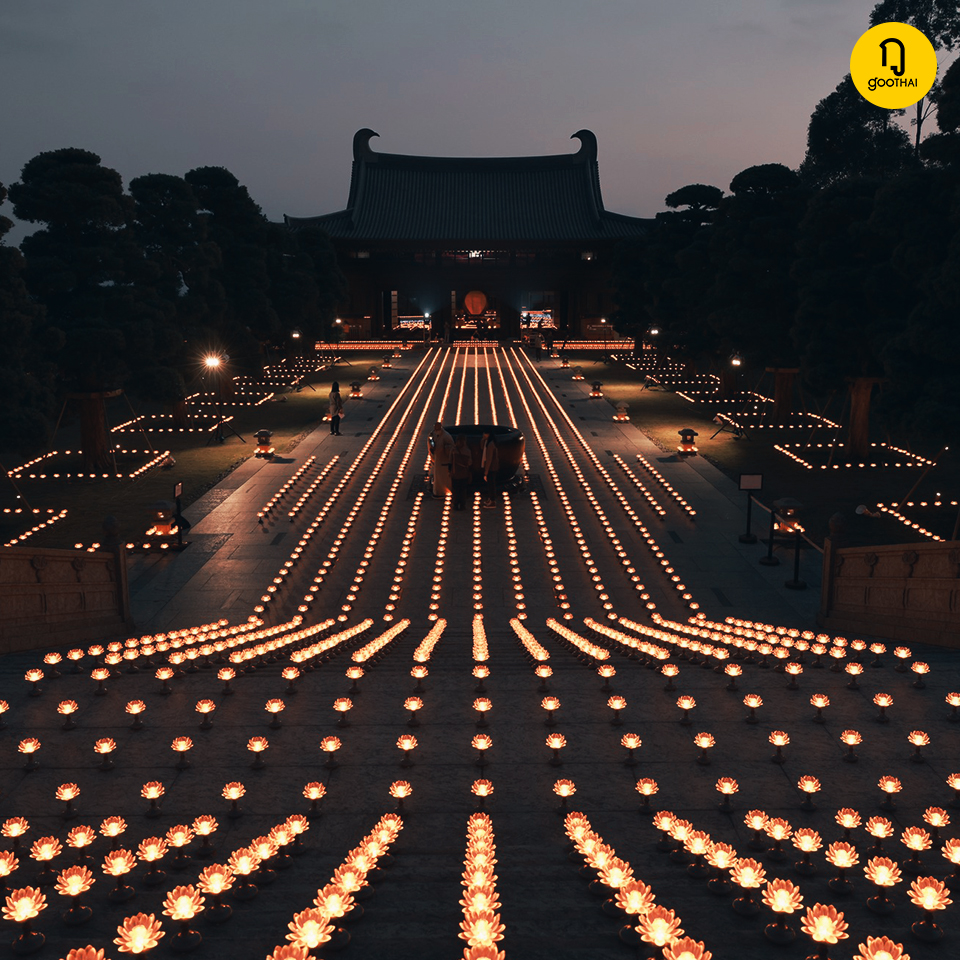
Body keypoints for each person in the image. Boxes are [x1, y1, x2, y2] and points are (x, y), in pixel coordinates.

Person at [430, 421, 454, 498]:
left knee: (445, 479)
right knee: (437, 478)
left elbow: (451, 447)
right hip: (437, 460)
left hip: (444, 460)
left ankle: (445, 492)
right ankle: (437, 492)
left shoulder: (446, 436)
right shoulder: (433, 434)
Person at [451, 434, 473, 511]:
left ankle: (456, 505)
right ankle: (463, 505)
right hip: (464, 474)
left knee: (456, 491)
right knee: (463, 491)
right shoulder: (467, 451)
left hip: (455, 474)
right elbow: (470, 463)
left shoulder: (454, 450)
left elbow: (450, 461)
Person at [481, 432, 499, 508]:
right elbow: (482, 447)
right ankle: (490, 499)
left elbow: (489, 459)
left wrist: (486, 471)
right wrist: (482, 440)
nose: (483, 435)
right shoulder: (487, 442)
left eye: (485, 434)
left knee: (491, 484)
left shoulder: (491, 445)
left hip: (492, 467)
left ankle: (492, 501)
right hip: (491, 467)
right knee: (490, 484)